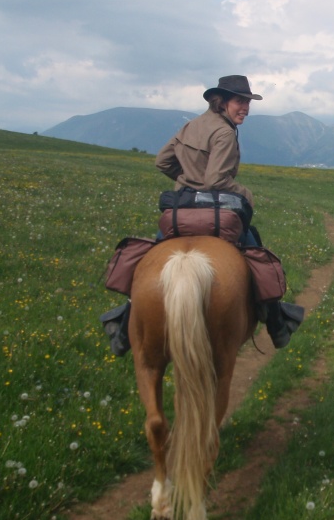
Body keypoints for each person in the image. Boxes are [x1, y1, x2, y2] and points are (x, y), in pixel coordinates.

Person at [101, 75, 303, 354]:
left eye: (247, 101)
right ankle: (277, 325)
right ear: (221, 102)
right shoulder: (224, 132)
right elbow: (216, 180)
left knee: (152, 259)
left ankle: (123, 329)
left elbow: (162, 161)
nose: (245, 107)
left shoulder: (190, 126)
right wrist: (244, 193)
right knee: (255, 248)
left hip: (179, 213)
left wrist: (185, 180)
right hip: (215, 215)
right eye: (239, 101)